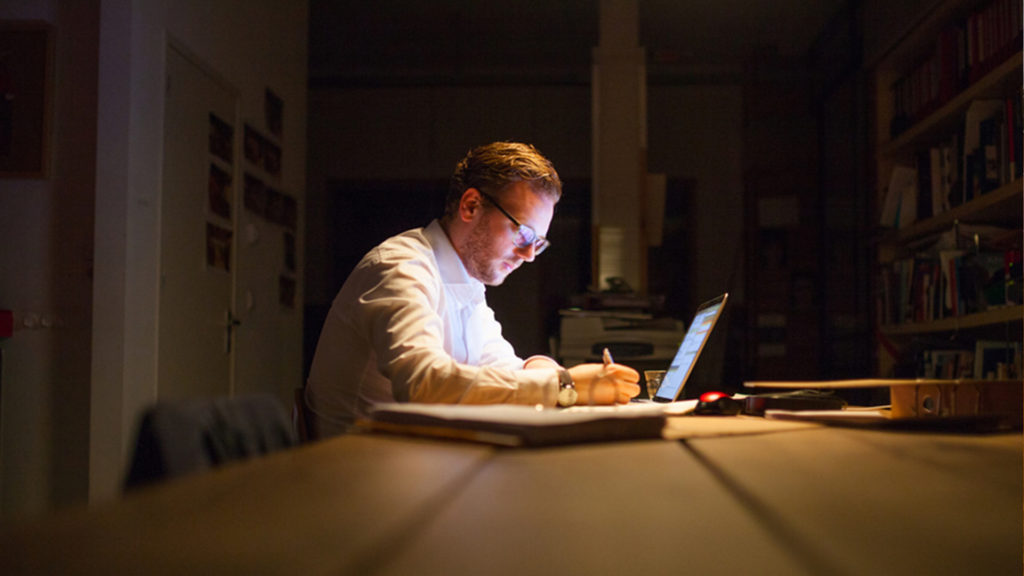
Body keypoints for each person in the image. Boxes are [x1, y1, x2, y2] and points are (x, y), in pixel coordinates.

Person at [305, 141, 640, 437]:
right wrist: (564, 386)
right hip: (361, 477)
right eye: (523, 234)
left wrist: (553, 372)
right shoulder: (400, 267)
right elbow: (424, 383)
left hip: (412, 458)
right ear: (470, 206)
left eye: (537, 243)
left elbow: (500, 364)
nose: (528, 255)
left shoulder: (465, 282)